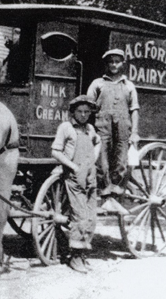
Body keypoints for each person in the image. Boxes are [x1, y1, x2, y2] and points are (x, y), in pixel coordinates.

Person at [50, 95, 102, 273]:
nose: (83, 115)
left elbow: (98, 143)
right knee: (79, 215)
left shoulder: (90, 129)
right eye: (80, 111)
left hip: (90, 176)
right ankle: (75, 257)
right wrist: (72, 166)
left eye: (87, 112)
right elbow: (56, 151)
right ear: (73, 112)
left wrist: (92, 160)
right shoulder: (66, 127)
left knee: (91, 215)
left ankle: (83, 253)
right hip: (73, 176)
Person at [86, 48, 140, 198]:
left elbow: (134, 110)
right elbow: (87, 107)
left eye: (117, 62)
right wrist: (88, 128)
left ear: (122, 64)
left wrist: (134, 132)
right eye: (111, 62)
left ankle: (116, 189)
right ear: (107, 64)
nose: (114, 65)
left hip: (123, 127)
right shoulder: (98, 84)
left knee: (121, 159)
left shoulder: (129, 86)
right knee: (101, 159)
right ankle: (103, 189)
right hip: (102, 127)